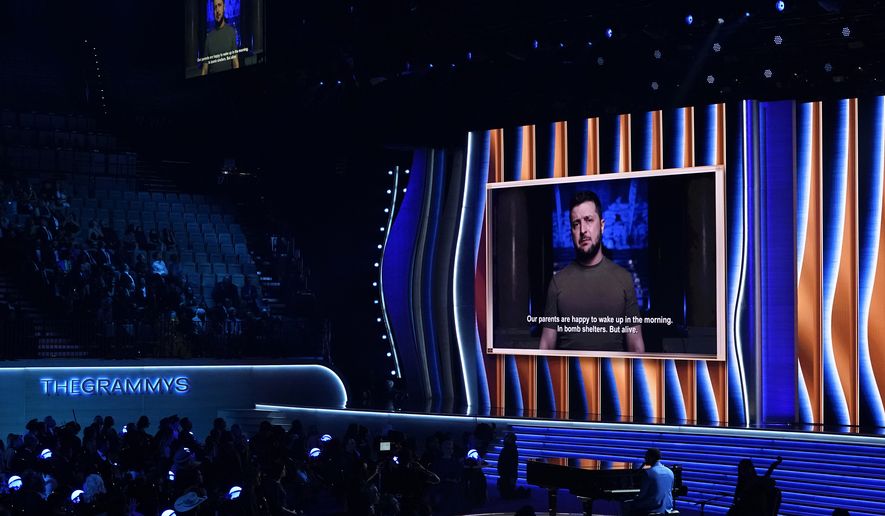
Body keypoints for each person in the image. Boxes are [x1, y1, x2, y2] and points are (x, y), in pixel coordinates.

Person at [539, 190, 645, 352]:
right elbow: (546, 343)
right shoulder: (557, 282)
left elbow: (636, 344)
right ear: (572, 231)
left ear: (601, 225)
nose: (583, 230)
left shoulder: (624, 279)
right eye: (576, 224)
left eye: (589, 220)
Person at [623, 448, 674, 516]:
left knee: (627, 504)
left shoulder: (648, 473)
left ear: (652, 457)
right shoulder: (670, 471)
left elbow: (642, 495)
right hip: (667, 508)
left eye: (646, 456)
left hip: (654, 507)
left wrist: (634, 498)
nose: (645, 458)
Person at [202, 0, 240, 76]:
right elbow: (205, 68)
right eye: (215, 7)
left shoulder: (231, 32)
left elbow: (235, 63)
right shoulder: (209, 37)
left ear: (224, 7)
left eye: (219, 5)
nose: (217, 10)